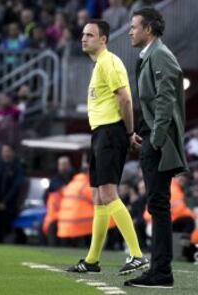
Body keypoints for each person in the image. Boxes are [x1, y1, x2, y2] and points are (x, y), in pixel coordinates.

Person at [67, 20, 148, 275]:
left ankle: (137, 255)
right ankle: (92, 260)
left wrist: (129, 132)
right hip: (100, 133)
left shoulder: (109, 62)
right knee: (98, 198)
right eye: (83, 35)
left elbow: (124, 98)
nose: (84, 38)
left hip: (111, 132)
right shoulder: (100, 64)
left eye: (90, 35)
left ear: (103, 39)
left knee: (109, 194)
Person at [125, 8, 189, 288]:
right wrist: (143, 132)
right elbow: (153, 104)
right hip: (152, 134)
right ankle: (160, 270)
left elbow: (165, 100)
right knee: (157, 205)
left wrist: (157, 139)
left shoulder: (160, 54)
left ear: (148, 29)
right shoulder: (151, 55)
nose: (130, 31)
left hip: (159, 140)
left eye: (134, 26)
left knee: (159, 206)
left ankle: (162, 273)